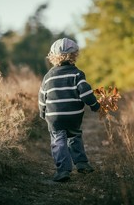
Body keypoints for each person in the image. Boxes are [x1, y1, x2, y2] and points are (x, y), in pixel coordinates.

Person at [38, 38, 100, 182]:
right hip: (73, 116)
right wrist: (94, 105)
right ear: (75, 55)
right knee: (74, 137)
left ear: (52, 57)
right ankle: (82, 164)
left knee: (58, 141)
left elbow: (42, 97)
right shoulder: (77, 74)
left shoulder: (48, 77)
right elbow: (85, 93)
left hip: (54, 117)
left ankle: (63, 170)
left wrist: (42, 112)